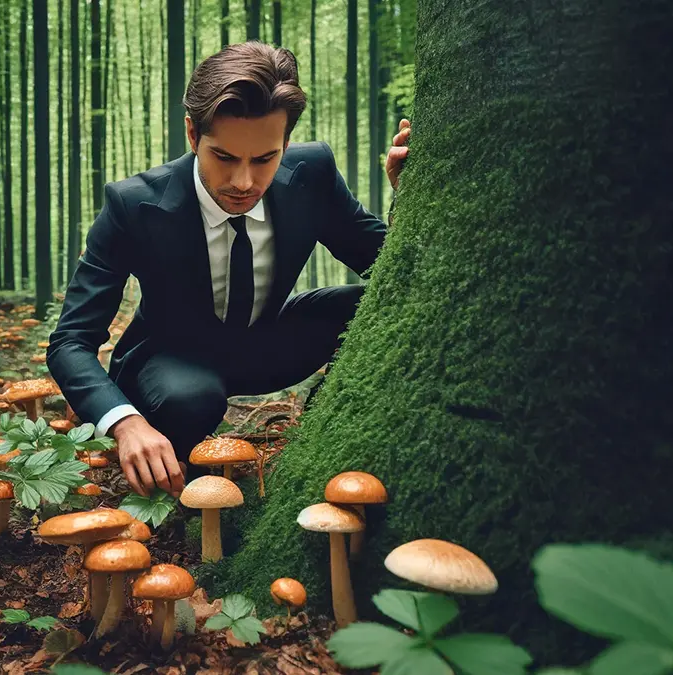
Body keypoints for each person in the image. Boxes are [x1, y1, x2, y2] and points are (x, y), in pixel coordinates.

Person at [46, 41, 411, 498]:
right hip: (171, 367)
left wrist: (409, 197)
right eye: (225, 157)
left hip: (266, 344)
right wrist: (125, 424)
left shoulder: (311, 174)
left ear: (286, 143)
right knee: (190, 398)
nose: (243, 182)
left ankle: (322, 438)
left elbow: (385, 265)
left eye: (264, 160)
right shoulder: (133, 204)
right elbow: (70, 342)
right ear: (193, 135)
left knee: (365, 307)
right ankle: (183, 481)